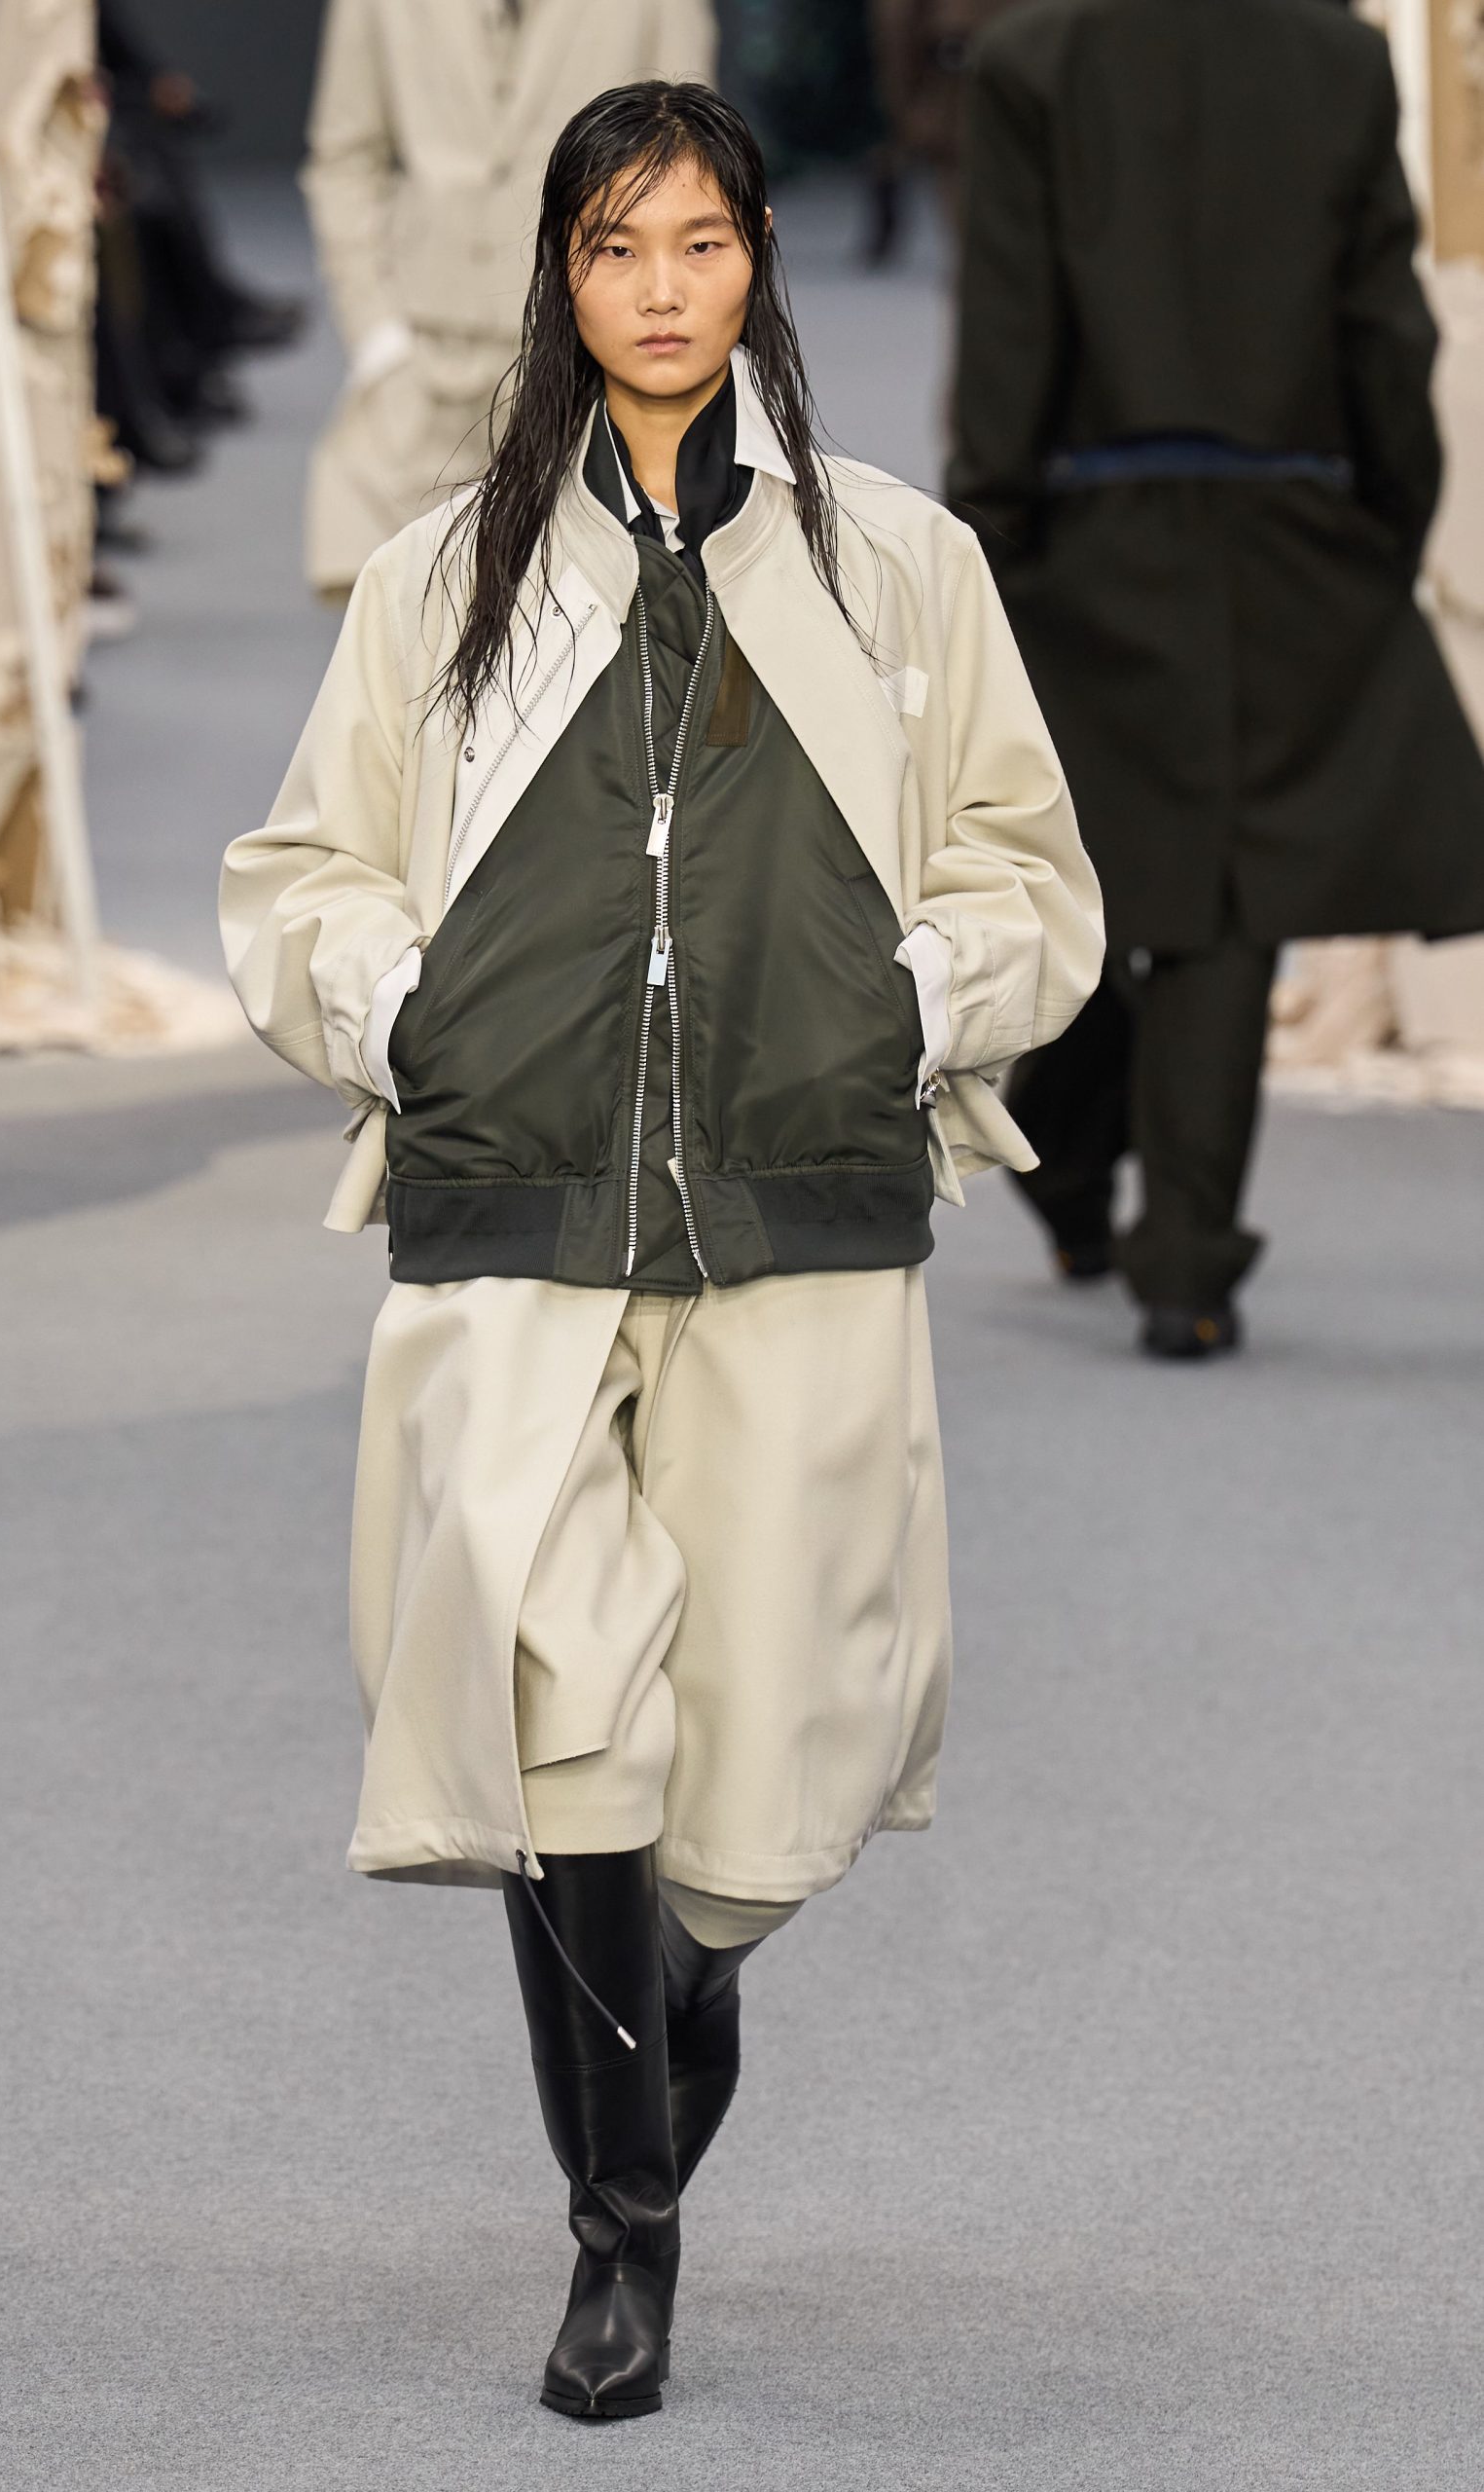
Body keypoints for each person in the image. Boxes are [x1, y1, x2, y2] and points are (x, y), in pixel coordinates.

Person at [222, 82, 1100, 2421]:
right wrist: (408, 1015)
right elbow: (303, 872)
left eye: (697, 241)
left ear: (757, 259)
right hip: (513, 1197)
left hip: (797, 1190)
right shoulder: (445, 575)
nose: (659, 289)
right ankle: (624, 2232)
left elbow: (1028, 873)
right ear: (560, 274)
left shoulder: (894, 566)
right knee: (552, 1684)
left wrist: (901, 1001)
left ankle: (678, 1982)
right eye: (614, 247)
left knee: (782, 1742)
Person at [950, 0, 1484, 1359]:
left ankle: (1082, 1178)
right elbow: (1384, 319)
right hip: (1290, 520)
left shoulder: (1032, 60)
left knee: (1093, 880)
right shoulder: (1334, 56)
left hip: (1088, 524)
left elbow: (1009, 315)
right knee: (1228, 893)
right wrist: (1386, 515)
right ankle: (1179, 1260)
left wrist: (985, 532)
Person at [299, 0, 716, 596]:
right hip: (423, 349)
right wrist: (376, 336)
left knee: (584, 619)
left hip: (585, 353)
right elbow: (345, 157)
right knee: (396, 615)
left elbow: (688, 163)